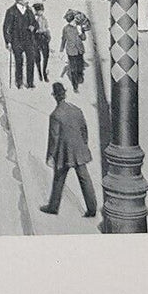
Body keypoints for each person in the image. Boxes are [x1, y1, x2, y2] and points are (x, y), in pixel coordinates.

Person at [40, 82, 98, 217]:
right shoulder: (77, 110)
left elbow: (54, 138)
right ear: (65, 94)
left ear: (54, 96)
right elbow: (84, 130)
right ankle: (92, 208)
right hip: (79, 151)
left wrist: (50, 156)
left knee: (59, 178)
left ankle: (53, 207)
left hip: (64, 153)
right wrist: (84, 144)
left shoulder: (55, 115)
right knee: (85, 179)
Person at [2, 0, 39, 89]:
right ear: (20, 0)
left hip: (28, 40)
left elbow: (35, 23)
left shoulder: (29, 10)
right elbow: (6, 28)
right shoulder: (11, 11)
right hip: (16, 41)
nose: (27, 0)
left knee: (30, 61)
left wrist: (33, 27)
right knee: (19, 62)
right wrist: (8, 41)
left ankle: (30, 83)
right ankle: (19, 83)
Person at [60, 10, 88, 92]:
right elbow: (63, 39)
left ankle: (79, 77)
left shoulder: (79, 27)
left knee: (80, 66)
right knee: (73, 69)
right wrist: (61, 50)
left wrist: (80, 32)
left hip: (80, 50)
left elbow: (84, 38)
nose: (72, 22)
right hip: (71, 51)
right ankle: (75, 86)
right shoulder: (66, 29)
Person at [32, 2, 51, 83]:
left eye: (42, 10)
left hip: (44, 37)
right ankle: (39, 73)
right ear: (36, 11)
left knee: (46, 56)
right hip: (36, 37)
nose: (41, 12)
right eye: (40, 10)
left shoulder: (44, 18)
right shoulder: (33, 19)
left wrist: (49, 36)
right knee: (37, 57)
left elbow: (47, 28)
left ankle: (44, 72)